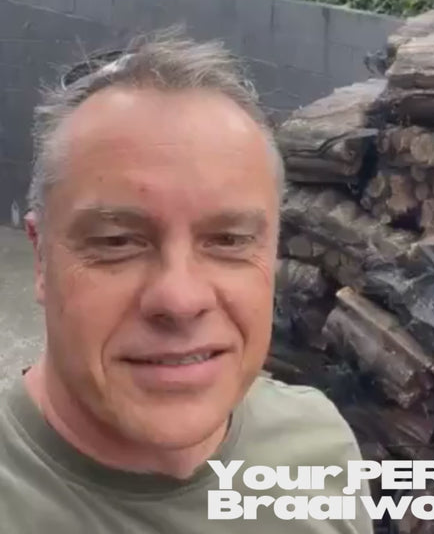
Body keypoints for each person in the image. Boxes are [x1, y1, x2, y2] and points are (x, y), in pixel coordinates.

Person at [0, 32, 373, 533]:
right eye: (116, 241)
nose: (180, 299)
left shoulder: (318, 447)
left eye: (228, 240)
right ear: (41, 258)